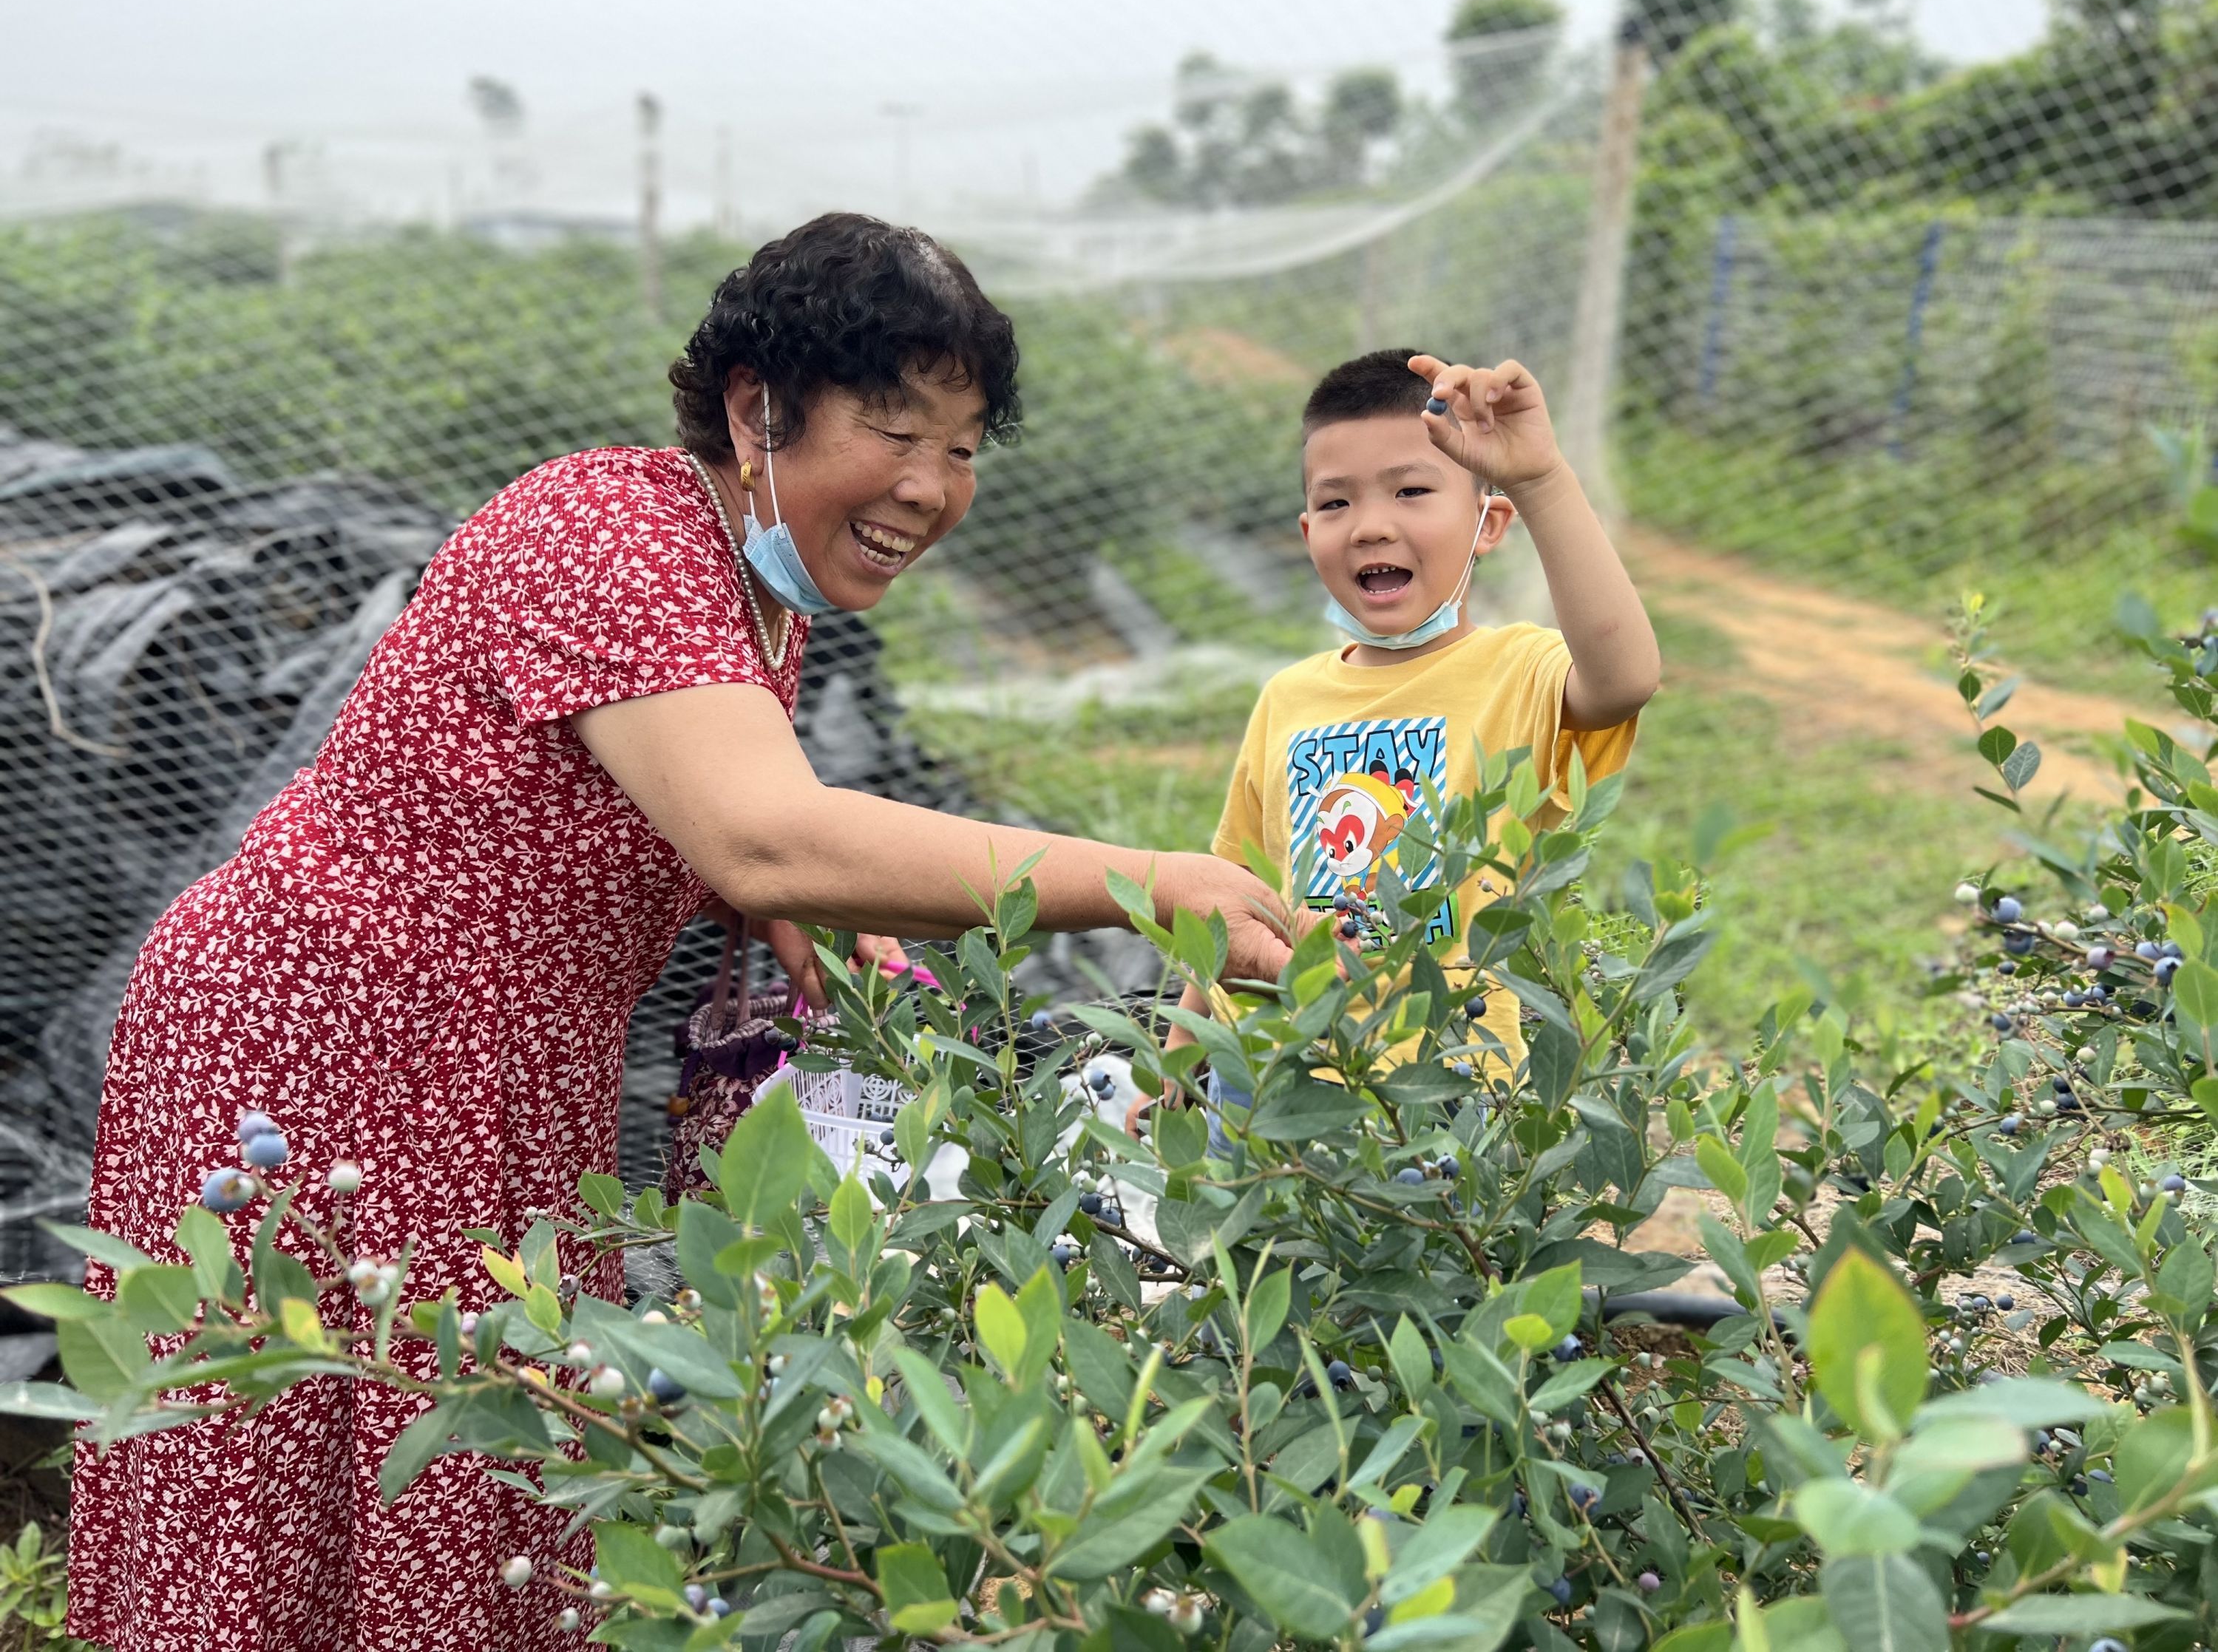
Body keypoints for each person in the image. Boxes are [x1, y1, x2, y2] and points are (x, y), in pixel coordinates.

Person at [66, 212, 1292, 1652]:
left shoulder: (756, 585)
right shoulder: (615, 534)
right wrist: (1155, 884)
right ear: (757, 407)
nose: (930, 486)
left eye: (963, 449)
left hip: (497, 1065)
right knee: (331, 1462)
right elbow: (763, 828)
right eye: (895, 430)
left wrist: (781, 905)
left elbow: (687, 817)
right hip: (330, 1039)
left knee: (470, 1459)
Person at [1163, 347, 1658, 1095]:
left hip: (1443, 1079)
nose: (1369, 526)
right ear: (1307, 532)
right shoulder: (1287, 697)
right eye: (1336, 504)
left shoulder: (1519, 673)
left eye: (1411, 491)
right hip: (1265, 1076)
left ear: (1489, 523)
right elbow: (1236, 892)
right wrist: (1176, 1058)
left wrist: (1540, 478)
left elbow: (1626, 679)